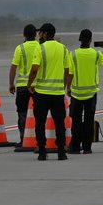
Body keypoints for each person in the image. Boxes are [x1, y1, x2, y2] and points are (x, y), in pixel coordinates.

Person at [26, 23, 72, 161]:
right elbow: (68, 70)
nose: (39, 35)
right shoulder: (63, 49)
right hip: (58, 94)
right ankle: (61, 152)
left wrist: (29, 84)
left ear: (45, 34)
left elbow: (34, 69)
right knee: (59, 124)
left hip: (42, 94)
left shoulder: (40, 49)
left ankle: (41, 151)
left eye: (40, 33)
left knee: (40, 124)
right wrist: (64, 86)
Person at [67, 29, 103, 154]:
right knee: (89, 120)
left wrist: (68, 88)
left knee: (76, 121)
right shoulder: (95, 54)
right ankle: (87, 147)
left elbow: (70, 73)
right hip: (91, 93)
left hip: (76, 93)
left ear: (80, 40)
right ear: (90, 40)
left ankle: (75, 147)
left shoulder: (73, 54)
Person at [8, 23, 40, 146]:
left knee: (22, 113)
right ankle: (38, 139)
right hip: (37, 87)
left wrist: (11, 84)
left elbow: (13, 68)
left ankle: (24, 140)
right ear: (36, 34)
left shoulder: (20, 48)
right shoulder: (40, 47)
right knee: (39, 114)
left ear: (24, 35)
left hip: (22, 86)